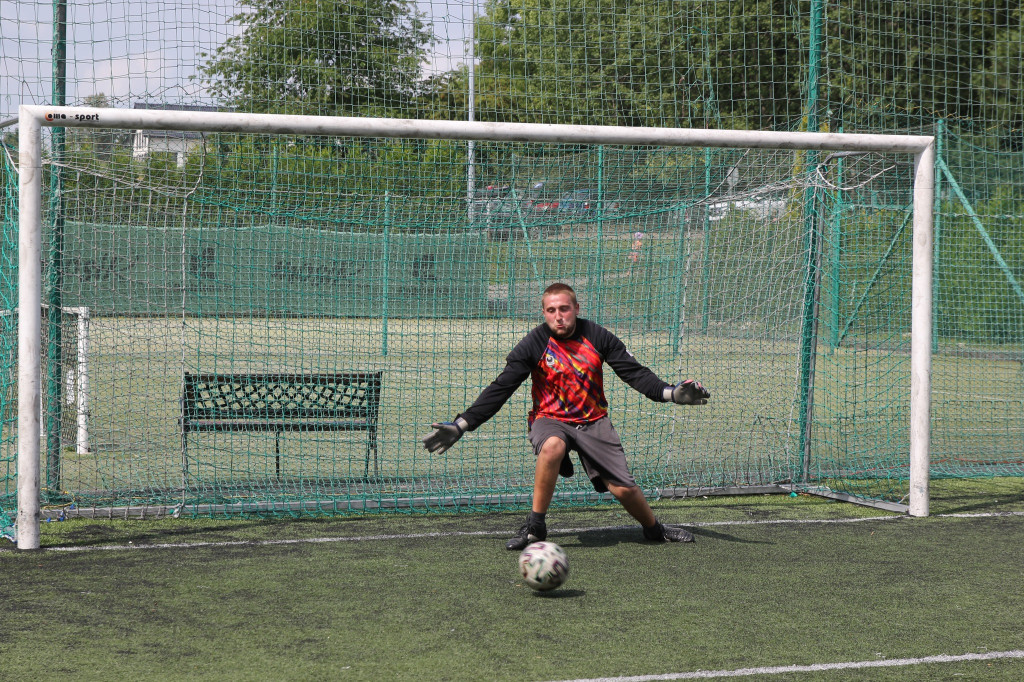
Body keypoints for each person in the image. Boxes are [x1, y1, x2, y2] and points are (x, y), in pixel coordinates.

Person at [422, 282, 710, 550]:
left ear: (576, 309)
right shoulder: (534, 343)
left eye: (564, 309)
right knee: (552, 446)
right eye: (551, 310)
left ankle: (654, 529)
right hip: (550, 419)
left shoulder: (597, 336)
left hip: (593, 421)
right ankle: (535, 527)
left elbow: (635, 374)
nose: (558, 316)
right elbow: (502, 387)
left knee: (623, 490)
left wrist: (671, 393)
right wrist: (461, 424)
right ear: (544, 313)